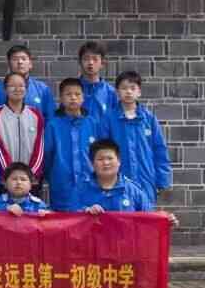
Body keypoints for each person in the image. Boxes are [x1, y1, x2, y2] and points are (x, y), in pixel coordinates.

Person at [105, 70, 172, 207]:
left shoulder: (148, 119)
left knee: (145, 216)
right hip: (118, 180)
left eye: (132, 88)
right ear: (117, 92)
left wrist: (162, 180)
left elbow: (159, 150)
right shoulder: (109, 119)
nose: (128, 92)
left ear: (139, 92)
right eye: (124, 88)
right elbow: (103, 150)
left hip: (145, 178)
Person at [80, 139, 179, 225]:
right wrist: (86, 212)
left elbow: (149, 219)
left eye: (110, 158)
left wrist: (165, 221)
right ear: (92, 163)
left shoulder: (134, 191)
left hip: (126, 241)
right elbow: (72, 221)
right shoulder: (81, 190)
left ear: (119, 161)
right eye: (100, 159)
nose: (106, 163)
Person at [43, 78, 103, 212]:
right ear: (61, 98)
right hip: (62, 184)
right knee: (63, 220)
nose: (73, 98)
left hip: (89, 183)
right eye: (68, 94)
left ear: (83, 97)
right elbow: (47, 155)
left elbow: (99, 153)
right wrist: (54, 175)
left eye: (77, 94)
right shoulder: (53, 125)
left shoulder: (92, 123)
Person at [0, 73, 45, 188]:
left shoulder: (35, 114)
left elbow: (39, 147)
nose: (17, 89)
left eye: (21, 85)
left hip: (31, 180)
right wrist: (9, 174)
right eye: (12, 86)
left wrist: (31, 174)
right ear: (5, 89)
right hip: (4, 179)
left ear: (26, 88)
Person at [0, 45, 55, 119]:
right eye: (15, 59)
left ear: (30, 64)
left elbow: (51, 118)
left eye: (23, 59)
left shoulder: (43, 89)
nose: (20, 62)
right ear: (9, 64)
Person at [78, 41, 119, 118]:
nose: (90, 62)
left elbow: (115, 120)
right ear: (80, 62)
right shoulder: (72, 90)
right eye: (86, 59)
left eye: (95, 59)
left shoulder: (110, 92)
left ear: (102, 63)